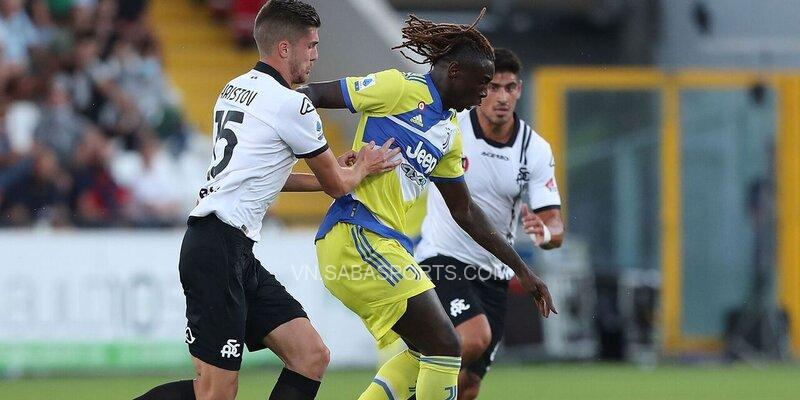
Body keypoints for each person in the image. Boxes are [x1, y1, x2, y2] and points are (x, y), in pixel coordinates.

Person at [134, 1, 400, 399]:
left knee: (310, 355)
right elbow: (338, 186)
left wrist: (338, 172)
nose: (316, 55)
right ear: (284, 48)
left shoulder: (234, 88)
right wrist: (363, 166)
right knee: (215, 393)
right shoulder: (294, 104)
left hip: (227, 247)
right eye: (311, 45)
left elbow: (264, 176)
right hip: (217, 249)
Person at [298, 10, 556, 400]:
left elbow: (465, 210)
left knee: (427, 351)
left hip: (386, 244)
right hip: (356, 235)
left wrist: (522, 269)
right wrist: (314, 159)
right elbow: (311, 97)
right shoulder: (397, 89)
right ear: (454, 72)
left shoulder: (448, 133)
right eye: (482, 83)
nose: (485, 94)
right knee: (446, 346)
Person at [415, 48, 565, 400]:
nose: (501, 97)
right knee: (473, 337)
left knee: (468, 387)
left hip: (494, 274)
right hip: (442, 258)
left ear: (520, 90)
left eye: (509, 88)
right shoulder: (452, 129)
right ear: (482, 89)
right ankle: (398, 389)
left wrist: (544, 232)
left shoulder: (534, 149)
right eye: (494, 87)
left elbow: (554, 222)